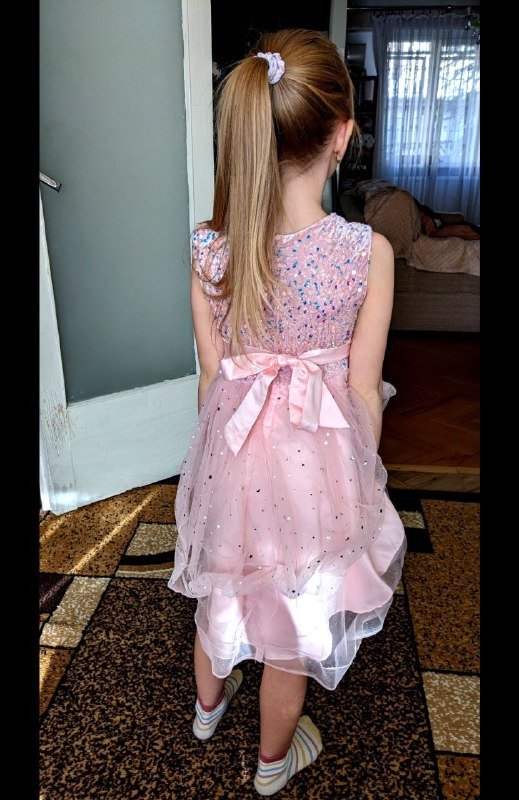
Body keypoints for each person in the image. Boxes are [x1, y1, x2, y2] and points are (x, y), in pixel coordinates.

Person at [168, 28, 406, 796]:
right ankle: (272, 765)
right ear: (342, 135)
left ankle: (206, 711)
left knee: (221, 592)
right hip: (316, 476)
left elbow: (212, 380)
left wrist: (213, 467)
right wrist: (360, 480)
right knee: (291, 630)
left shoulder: (208, 249)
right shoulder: (366, 252)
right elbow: (363, 391)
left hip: (234, 463)